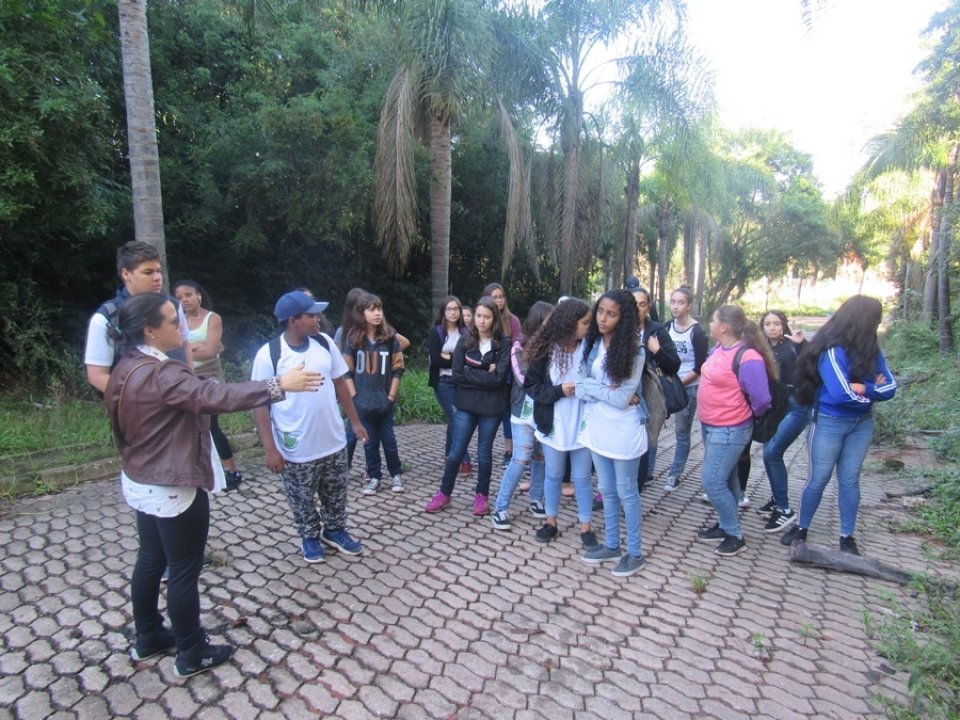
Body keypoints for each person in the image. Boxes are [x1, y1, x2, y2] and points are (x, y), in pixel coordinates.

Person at [105, 293, 322, 677]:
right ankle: (191, 650)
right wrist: (277, 385)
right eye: (174, 321)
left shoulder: (126, 366)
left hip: (139, 479)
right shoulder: (161, 373)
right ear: (150, 331)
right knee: (184, 570)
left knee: (151, 560)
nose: (182, 326)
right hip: (171, 485)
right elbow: (212, 395)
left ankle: (149, 636)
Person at [251, 290, 368, 564]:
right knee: (301, 497)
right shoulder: (269, 354)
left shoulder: (325, 343)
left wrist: (354, 421)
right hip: (297, 447)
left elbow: (340, 382)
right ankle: (309, 536)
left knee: (336, 491)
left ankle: (335, 530)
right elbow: (260, 403)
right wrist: (270, 449)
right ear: (293, 321)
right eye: (311, 315)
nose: (318, 319)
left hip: (332, 440)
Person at [781, 296, 897, 554]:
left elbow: (890, 387)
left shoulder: (872, 350)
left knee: (850, 480)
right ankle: (801, 527)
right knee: (818, 478)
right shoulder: (833, 351)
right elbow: (840, 393)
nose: (877, 324)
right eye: (875, 319)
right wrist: (871, 391)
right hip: (829, 423)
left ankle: (847, 537)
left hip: (861, 424)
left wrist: (865, 388)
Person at [577, 290, 648, 577]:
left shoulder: (635, 350)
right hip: (598, 427)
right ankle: (612, 545)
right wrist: (607, 392)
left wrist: (598, 391)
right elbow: (580, 386)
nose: (603, 318)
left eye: (611, 313)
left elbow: (622, 400)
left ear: (624, 317)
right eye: (600, 311)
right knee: (606, 489)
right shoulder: (592, 342)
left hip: (624, 431)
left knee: (626, 491)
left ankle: (635, 552)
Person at [695, 305, 774, 557]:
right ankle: (725, 525)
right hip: (711, 425)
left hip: (730, 428)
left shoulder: (748, 357)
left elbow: (762, 398)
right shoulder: (720, 348)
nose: (710, 325)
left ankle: (735, 535)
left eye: (713, 320)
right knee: (727, 480)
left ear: (724, 327)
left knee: (712, 481)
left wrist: (746, 415)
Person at [523, 298, 599, 548]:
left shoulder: (590, 348)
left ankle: (586, 527)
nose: (590, 326)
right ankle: (551, 522)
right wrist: (558, 391)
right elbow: (532, 387)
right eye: (585, 322)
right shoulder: (546, 350)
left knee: (582, 477)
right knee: (553, 475)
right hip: (553, 423)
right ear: (569, 323)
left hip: (583, 423)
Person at [425, 297, 511, 515]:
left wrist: (472, 372)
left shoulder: (503, 344)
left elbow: (499, 378)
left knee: (484, 453)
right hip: (465, 404)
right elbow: (457, 375)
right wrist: (484, 370)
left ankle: (481, 496)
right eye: (479, 316)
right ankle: (444, 493)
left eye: (487, 317)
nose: (482, 321)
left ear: (495, 318)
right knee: (456, 451)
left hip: (491, 408)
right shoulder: (465, 341)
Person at [85, 241, 192, 393]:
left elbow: (185, 347)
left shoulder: (174, 305)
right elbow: (97, 375)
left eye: (158, 271)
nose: (157, 278)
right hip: (135, 410)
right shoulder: (106, 317)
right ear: (126, 274)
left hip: (181, 400)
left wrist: (192, 389)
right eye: (148, 272)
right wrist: (139, 401)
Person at [173, 280, 243, 491]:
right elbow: (172, 352)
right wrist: (194, 347)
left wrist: (188, 349)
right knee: (189, 426)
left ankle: (232, 470)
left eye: (188, 295)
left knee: (211, 425)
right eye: (179, 297)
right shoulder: (176, 321)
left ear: (199, 296)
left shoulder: (212, 319)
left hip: (209, 377)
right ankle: (201, 470)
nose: (185, 300)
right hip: (186, 377)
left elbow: (211, 351)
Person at [491, 301, 554, 530]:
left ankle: (536, 499)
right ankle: (500, 507)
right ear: (538, 320)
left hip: (544, 412)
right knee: (520, 458)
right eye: (548, 320)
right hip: (523, 413)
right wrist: (551, 388)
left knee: (540, 457)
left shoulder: (555, 347)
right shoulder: (519, 347)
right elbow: (524, 380)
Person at [341, 292, 405, 494]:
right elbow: (346, 372)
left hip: (384, 403)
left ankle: (396, 475)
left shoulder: (390, 338)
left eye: (379, 309)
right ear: (361, 313)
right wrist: (355, 398)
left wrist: (391, 397)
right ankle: (374, 477)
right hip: (362, 403)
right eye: (372, 309)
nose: (377, 313)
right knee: (369, 443)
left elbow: (398, 369)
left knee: (389, 441)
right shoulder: (353, 340)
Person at [755, 310, 810, 533]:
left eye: (776, 323)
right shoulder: (762, 348)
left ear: (783, 325)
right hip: (776, 405)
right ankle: (778, 500)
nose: (772, 328)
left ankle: (785, 509)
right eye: (767, 324)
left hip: (796, 404)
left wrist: (801, 344)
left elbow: (811, 365)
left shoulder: (792, 345)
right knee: (769, 451)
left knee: (772, 452)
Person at [630, 284, 680, 491]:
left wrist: (657, 351)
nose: (638, 309)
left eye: (642, 304)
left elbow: (674, 365)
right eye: (633, 304)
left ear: (648, 307)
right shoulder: (618, 328)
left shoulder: (657, 331)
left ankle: (637, 488)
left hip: (648, 396)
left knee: (643, 445)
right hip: (624, 397)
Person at [664, 285, 709, 491]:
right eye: (673, 301)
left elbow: (700, 367)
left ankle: (675, 473)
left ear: (689, 305)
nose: (675, 306)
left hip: (688, 388)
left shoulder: (697, 332)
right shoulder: (667, 327)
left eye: (680, 302)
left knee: (682, 432)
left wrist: (679, 385)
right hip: (667, 385)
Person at [427, 296, 472, 476]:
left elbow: (471, 358)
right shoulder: (436, 332)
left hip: (462, 382)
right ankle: (464, 459)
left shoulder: (466, 332)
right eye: (449, 309)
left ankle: (448, 453)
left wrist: (449, 356)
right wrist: (457, 359)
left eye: (456, 309)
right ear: (443, 312)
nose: (453, 312)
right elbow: (436, 360)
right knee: (457, 418)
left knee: (454, 419)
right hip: (444, 383)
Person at [483, 282, 521, 466]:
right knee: (487, 413)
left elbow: (516, 350)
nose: (498, 300)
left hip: (506, 375)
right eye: (494, 297)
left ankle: (509, 450)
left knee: (506, 413)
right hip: (485, 373)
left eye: (501, 296)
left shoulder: (512, 320)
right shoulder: (483, 319)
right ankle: (484, 451)